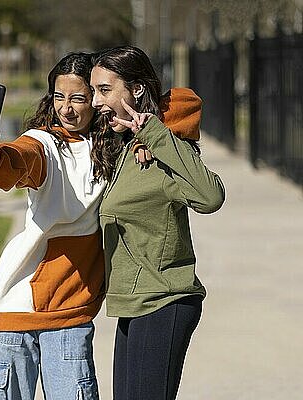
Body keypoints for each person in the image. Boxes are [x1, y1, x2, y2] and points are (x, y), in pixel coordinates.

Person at [0, 52, 200, 400]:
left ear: (98, 100)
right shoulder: (45, 143)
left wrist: (155, 135)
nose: (66, 109)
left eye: (78, 98)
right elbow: (17, 160)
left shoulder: (117, 143)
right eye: (58, 97)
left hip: (70, 313)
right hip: (12, 312)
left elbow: (184, 101)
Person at [89, 45, 225, 400]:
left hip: (164, 300)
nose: (94, 102)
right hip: (134, 303)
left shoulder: (163, 148)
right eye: (94, 91)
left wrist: (158, 135)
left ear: (135, 89)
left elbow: (211, 197)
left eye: (104, 90)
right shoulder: (121, 145)